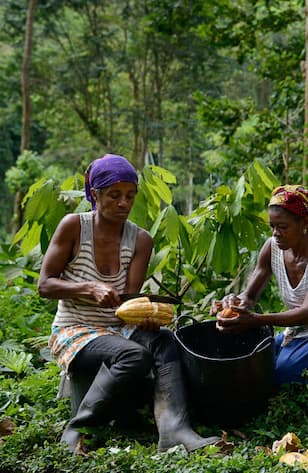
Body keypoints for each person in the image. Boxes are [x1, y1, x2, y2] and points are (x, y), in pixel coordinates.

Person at [38, 154, 220, 454]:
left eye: (130, 196)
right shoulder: (73, 226)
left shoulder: (140, 240)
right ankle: (77, 428)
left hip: (117, 330)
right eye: (114, 195)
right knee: (134, 356)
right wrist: (88, 288)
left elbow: (128, 303)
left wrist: (144, 317)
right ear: (95, 195)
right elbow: (45, 285)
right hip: (75, 330)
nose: (124, 203)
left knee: (163, 340)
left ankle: (174, 429)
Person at [214, 185, 308, 385]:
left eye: (283, 227)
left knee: (282, 374)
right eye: (272, 226)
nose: (276, 233)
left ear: (305, 223)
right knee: (253, 364)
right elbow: (249, 297)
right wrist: (231, 304)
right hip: (296, 332)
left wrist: (256, 320)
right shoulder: (272, 247)